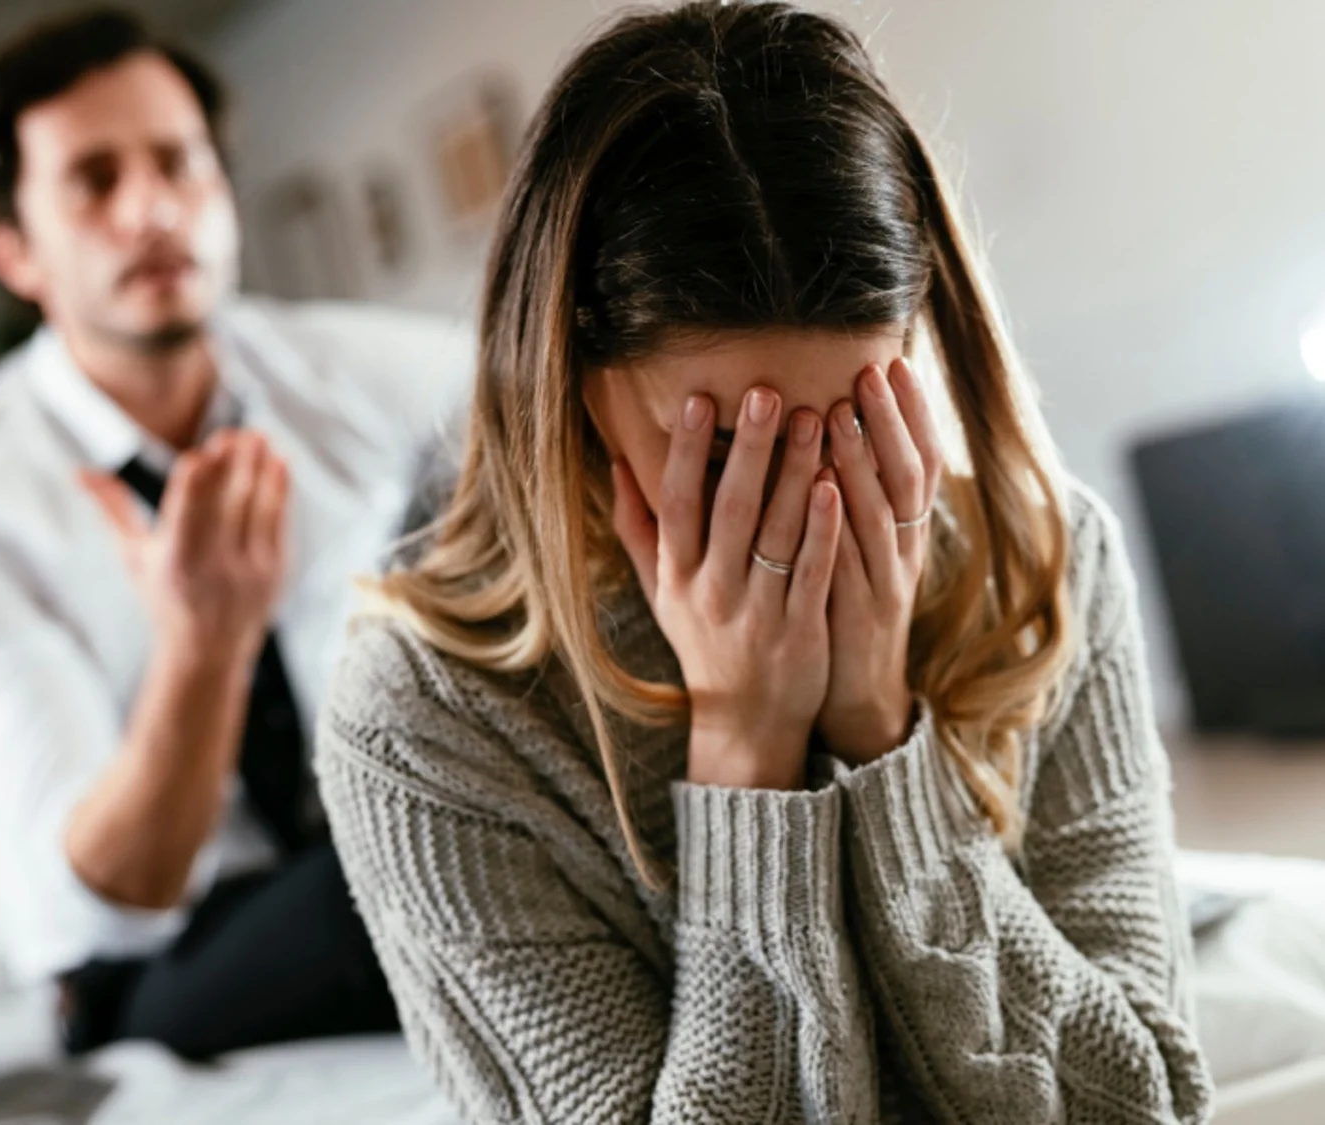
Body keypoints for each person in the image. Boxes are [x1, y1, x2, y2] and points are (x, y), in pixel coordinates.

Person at [315, 3, 1215, 1121]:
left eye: (853, 430)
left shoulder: (1044, 559)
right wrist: (745, 755)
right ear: (570, 379)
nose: (806, 512)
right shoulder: (424, 717)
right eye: (731, 453)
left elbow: (1138, 1106)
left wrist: (885, 744)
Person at [0, 8, 469, 1059]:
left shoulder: (367, 379)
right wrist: (205, 646)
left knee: (476, 828)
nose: (152, 210)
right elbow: (115, 896)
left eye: (180, 165)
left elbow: (562, 397)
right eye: (95, 180)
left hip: (376, 847)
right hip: (153, 955)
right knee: (445, 858)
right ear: (15, 253)